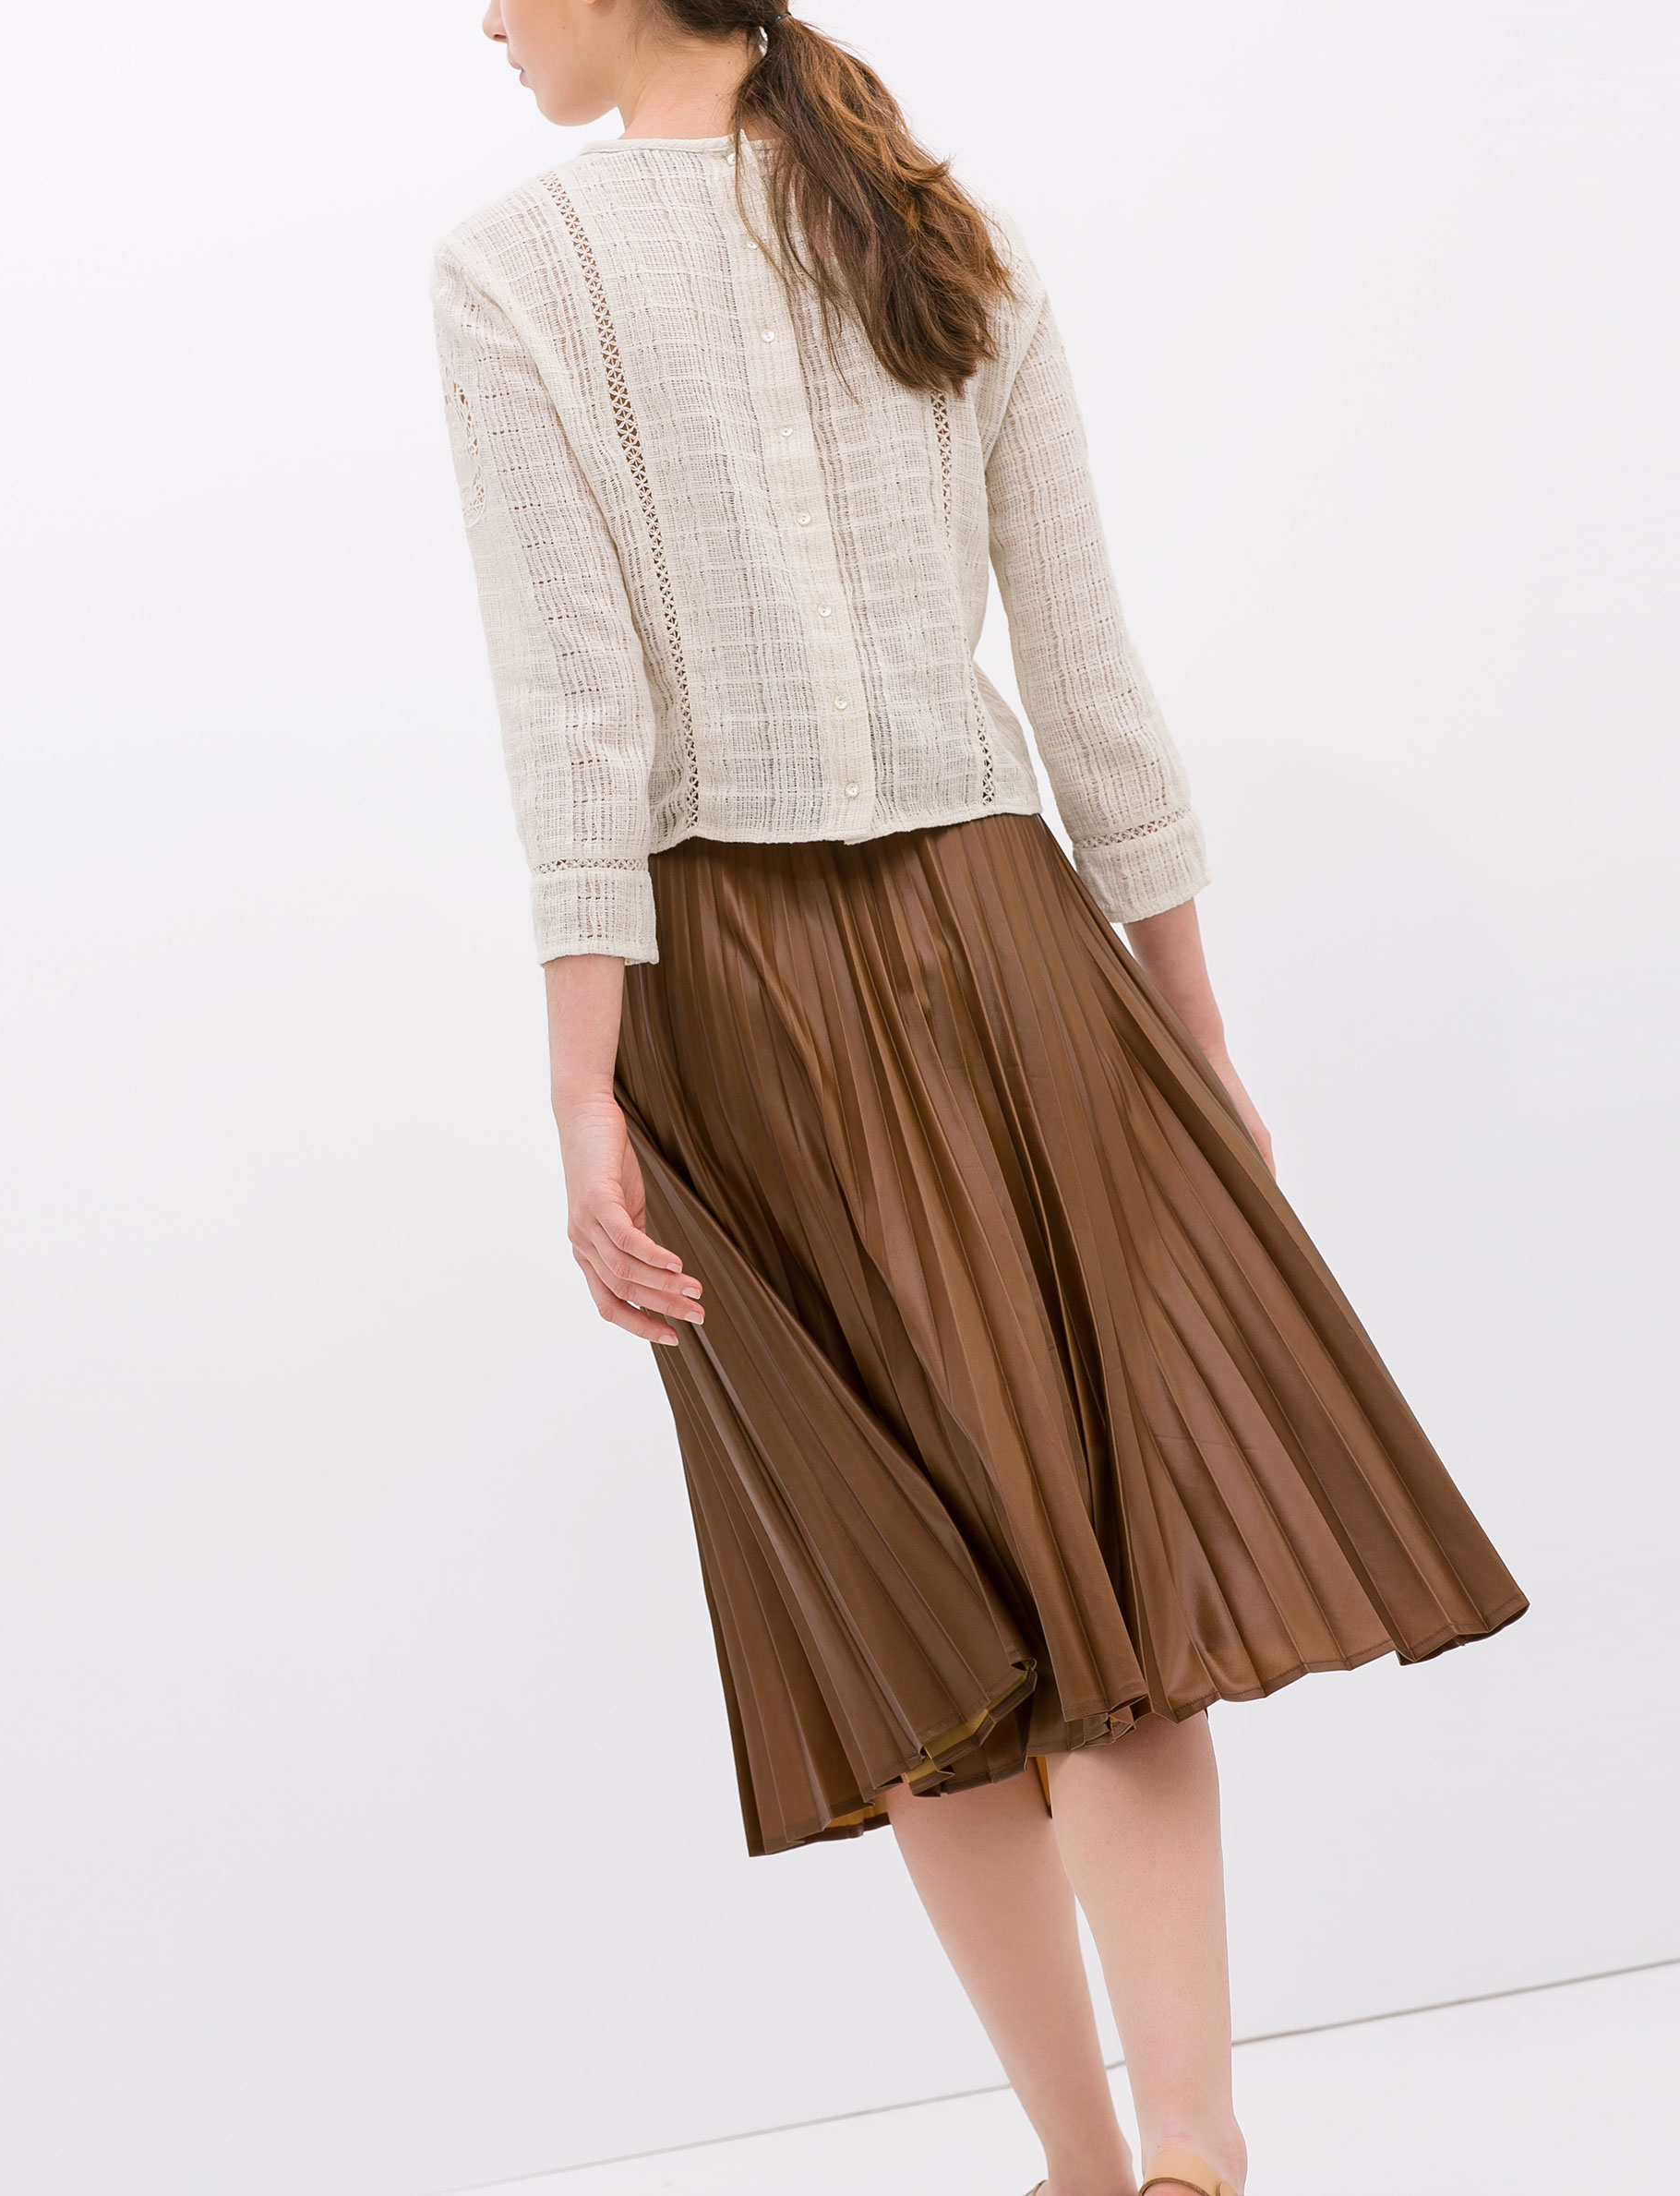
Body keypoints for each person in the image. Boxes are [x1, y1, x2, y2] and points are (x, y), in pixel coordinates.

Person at [427, 7, 1530, 2192]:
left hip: (732, 992)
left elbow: (578, 711)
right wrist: (1187, 1020)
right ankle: (1184, 2153)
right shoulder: (948, 232)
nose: (480, 15)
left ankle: (1097, 2166)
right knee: (1095, 1562)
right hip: (1011, 947)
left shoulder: (518, 271)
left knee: (900, 1601)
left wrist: (577, 1086)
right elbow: (1089, 671)